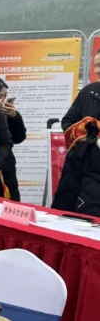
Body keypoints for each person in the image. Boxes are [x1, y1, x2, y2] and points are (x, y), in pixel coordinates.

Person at [52, 48, 100, 216]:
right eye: (96, 65)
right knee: (79, 215)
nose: (98, 70)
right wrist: (90, 138)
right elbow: (68, 122)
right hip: (83, 165)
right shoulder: (88, 92)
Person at [0, 75, 26, 201]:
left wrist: (14, 116)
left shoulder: (6, 114)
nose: (2, 100)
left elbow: (19, 138)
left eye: (5, 96)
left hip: (6, 166)